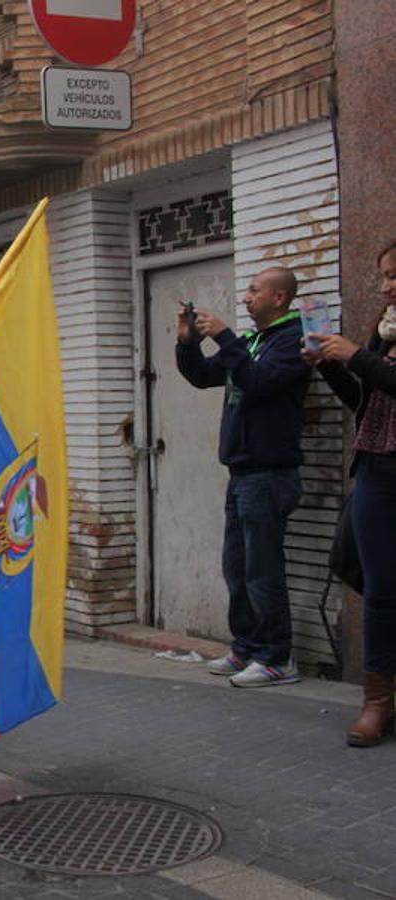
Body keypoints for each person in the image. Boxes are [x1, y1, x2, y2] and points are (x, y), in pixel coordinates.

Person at [176, 266, 312, 687]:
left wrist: (225, 335)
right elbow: (203, 377)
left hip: (270, 474)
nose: (247, 296)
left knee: (262, 569)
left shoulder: (293, 341)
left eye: (255, 290)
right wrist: (187, 342)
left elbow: (257, 381)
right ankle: (247, 647)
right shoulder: (252, 341)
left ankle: (276, 657)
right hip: (242, 473)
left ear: (279, 299)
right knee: (237, 567)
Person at [306, 241, 396, 745]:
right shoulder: (385, 334)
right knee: (382, 590)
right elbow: (367, 403)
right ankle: (377, 700)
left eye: (395, 276)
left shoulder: (375, 346)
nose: (386, 287)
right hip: (378, 471)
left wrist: (357, 356)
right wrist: (331, 366)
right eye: (384, 276)